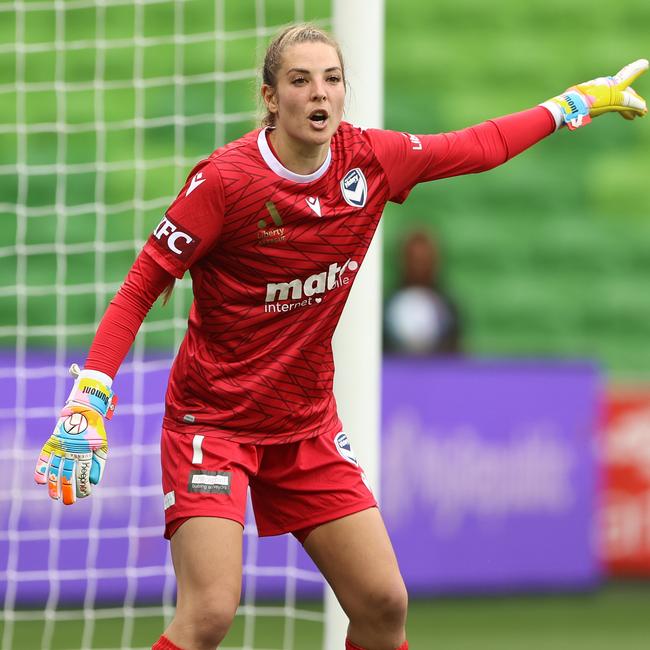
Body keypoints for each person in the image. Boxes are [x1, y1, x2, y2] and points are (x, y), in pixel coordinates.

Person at [33, 22, 647, 650]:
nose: (318, 93)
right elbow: (139, 288)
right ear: (270, 97)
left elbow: (478, 145)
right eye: (299, 80)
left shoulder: (372, 161)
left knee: (383, 605)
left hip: (305, 423)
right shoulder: (225, 182)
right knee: (211, 613)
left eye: (331, 79)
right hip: (212, 424)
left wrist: (573, 104)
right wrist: (88, 400)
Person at [384, 229, 462, 355]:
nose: (418, 266)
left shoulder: (450, 308)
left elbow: (455, 355)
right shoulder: (384, 307)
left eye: (423, 260)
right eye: (414, 259)